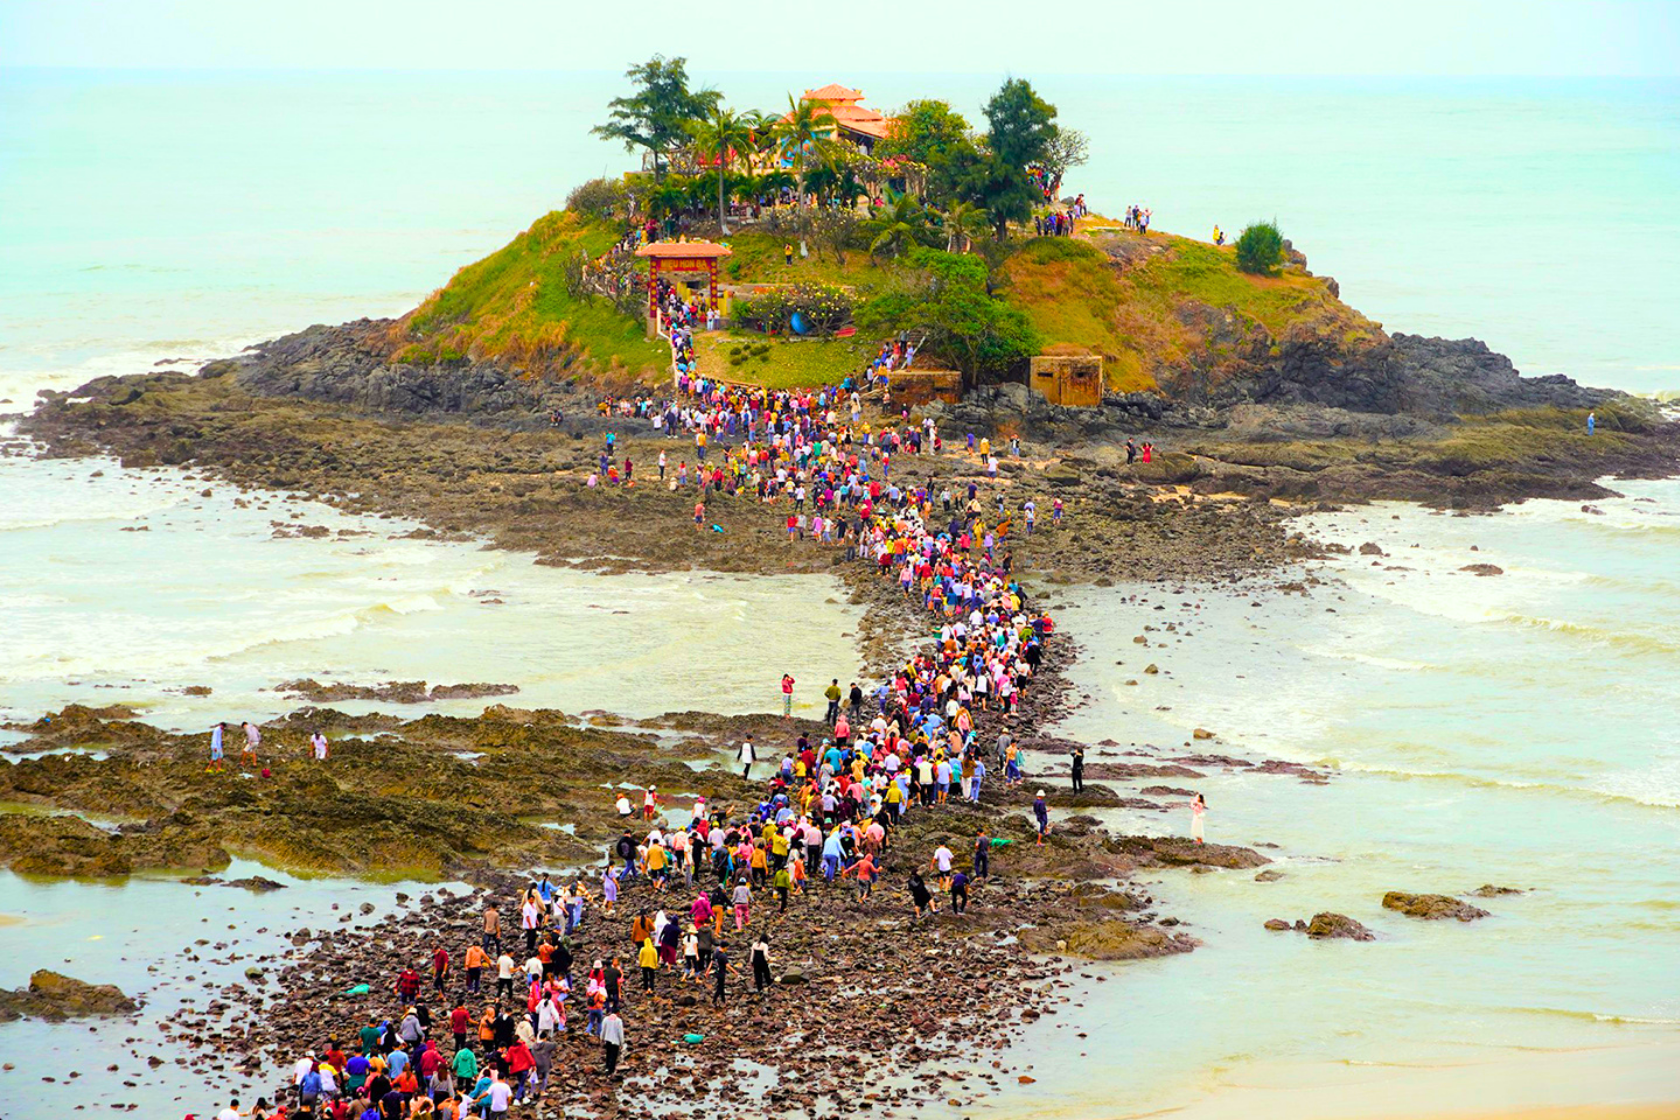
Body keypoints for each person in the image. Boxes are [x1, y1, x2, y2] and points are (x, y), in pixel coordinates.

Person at [600, 1009, 625, 1077]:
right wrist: (622, 1043)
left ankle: (607, 1067)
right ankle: (611, 1071)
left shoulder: (606, 1019)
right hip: (615, 1041)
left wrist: (601, 1038)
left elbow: (603, 1030)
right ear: (617, 1013)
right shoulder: (618, 1021)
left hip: (607, 1040)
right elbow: (620, 1033)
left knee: (608, 1054)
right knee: (613, 1056)